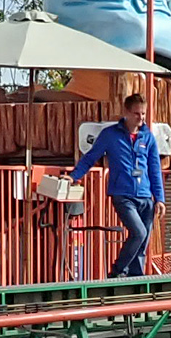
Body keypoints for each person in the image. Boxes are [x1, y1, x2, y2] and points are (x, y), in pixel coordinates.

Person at [67, 92, 165, 279]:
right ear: (126, 112)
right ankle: (118, 271)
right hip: (123, 194)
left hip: (145, 195)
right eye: (137, 114)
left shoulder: (148, 137)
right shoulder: (110, 135)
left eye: (143, 114)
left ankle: (136, 276)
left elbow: (154, 169)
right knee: (138, 232)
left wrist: (159, 198)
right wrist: (74, 176)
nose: (141, 118)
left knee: (143, 240)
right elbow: (90, 157)